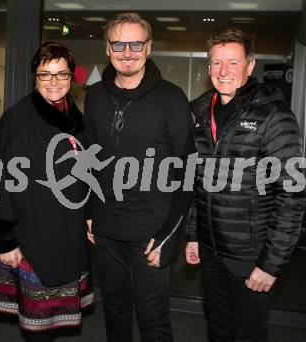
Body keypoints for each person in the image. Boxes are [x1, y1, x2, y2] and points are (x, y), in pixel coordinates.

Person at [185, 28, 305, 342]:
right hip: (211, 253)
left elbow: (291, 196)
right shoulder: (199, 111)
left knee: (247, 336)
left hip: (250, 256)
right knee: (218, 330)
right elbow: (199, 182)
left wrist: (271, 264)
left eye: (233, 63)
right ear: (208, 66)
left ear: (250, 66)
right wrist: (194, 235)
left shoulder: (274, 115)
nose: (223, 72)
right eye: (216, 63)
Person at [83, 12, 195, 342]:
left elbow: (186, 171)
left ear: (148, 48)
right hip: (107, 227)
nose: (127, 51)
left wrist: (169, 235)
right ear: (107, 47)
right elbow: (90, 158)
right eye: (118, 43)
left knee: (152, 316)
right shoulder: (94, 96)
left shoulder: (171, 98)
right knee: (115, 308)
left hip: (152, 229)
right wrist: (89, 212)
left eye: (135, 43)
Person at [0, 42, 93, 342]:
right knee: (37, 326)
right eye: (45, 74)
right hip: (31, 236)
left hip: (65, 232)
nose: (54, 82)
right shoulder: (18, 120)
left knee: (52, 322)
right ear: (34, 77)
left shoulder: (74, 119)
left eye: (61, 74)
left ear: (71, 78)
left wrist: (89, 216)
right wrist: (5, 241)